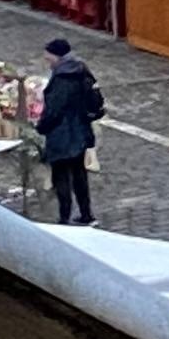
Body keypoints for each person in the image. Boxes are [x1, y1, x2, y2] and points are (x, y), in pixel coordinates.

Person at [34, 37, 106, 225]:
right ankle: (86, 214)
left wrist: (41, 126)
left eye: (49, 58)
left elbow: (54, 110)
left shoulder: (62, 79)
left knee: (61, 177)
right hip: (81, 131)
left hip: (63, 135)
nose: (48, 63)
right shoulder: (81, 70)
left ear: (57, 57)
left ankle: (64, 218)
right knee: (79, 175)